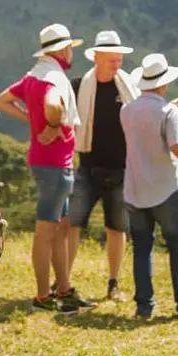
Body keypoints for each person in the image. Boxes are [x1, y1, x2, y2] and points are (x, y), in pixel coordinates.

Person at [0, 23, 97, 315]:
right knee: (46, 230)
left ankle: (63, 288)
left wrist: (30, 119)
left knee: (61, 228)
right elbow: (53, 104)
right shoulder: (54, 78)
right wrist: (51, 123)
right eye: (69, 48)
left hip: (48, 162)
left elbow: (2, 100)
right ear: (61, 50)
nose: (70, 53)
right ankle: (42, 296)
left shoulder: (33, 76)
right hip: (54, 166)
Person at [120, 53, 178, 321]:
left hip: (135, 188)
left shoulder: (126, 111)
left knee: (142, 248)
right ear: (164, 84)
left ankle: (144, 306)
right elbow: (177, 148)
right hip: (166, 188)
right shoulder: (168, 112)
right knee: (177, 246)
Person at [66, 30, 139, 303]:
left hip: (121, 170)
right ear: (97, 57)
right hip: (87, 168)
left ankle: (113, 283)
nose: (118, 63)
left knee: (117, 228)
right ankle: (63, 281)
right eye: (113, 58)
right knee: (72, 224)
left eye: (120, 58)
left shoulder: (128, 88)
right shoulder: (78, 87)